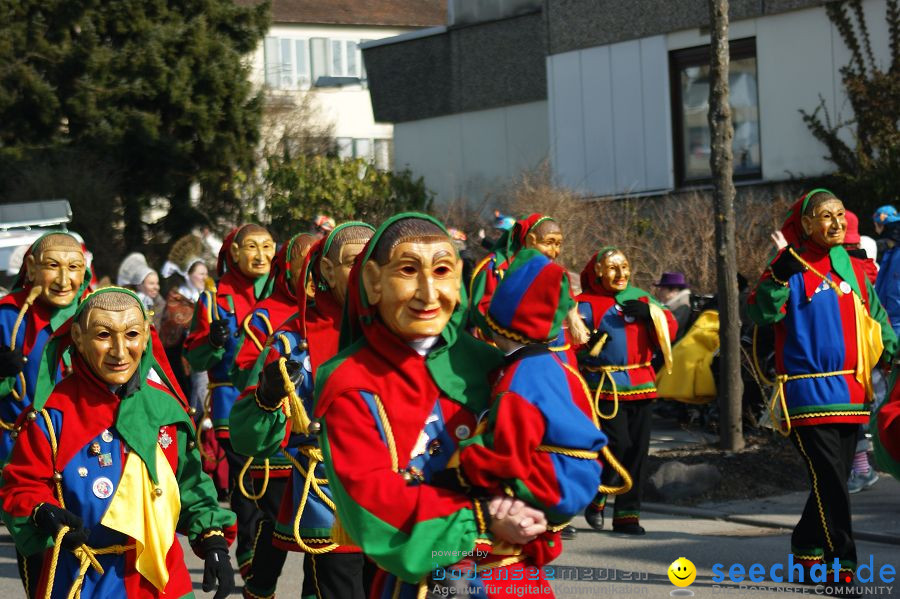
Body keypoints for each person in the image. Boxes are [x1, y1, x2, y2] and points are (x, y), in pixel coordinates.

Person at [314, 213, 555, 597]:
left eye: (441, 270)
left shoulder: (493, 365)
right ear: (374, 282)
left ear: (458, 277)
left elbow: (548, 453)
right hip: (418, 583)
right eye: (408, 270)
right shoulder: (348, 380)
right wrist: (479, 519)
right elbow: (371, 505)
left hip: (513, 578)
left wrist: (536, 507)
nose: (428, 293)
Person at [0, 287, 236, 598]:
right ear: (78, 339)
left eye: (132, 334)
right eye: (103, 335)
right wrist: (42, 511)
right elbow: (20, 485)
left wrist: (213, 540)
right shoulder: (51, 417)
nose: (120, 350)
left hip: (162, 582)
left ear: (147, 338)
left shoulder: (166, 410)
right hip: (82, 581)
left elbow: (189, 485)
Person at [748, 189, 896, 595]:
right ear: (806, 224)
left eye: (838, 215)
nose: (835, 223)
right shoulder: (787, 266)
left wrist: (892, 350)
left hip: (852, 392)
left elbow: (875, 314)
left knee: (830, 479)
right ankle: (841, 564)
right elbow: (760, 312)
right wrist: (777, 275)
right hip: (806, 395)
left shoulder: (850, 264)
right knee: (831, 480)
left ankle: (806, 545)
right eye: (824, 216)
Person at [230, 222, 374, 599]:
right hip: (330, 497)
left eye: (377, 261)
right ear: (325, 270)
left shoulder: (408, 332)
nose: (367, 273)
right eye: (354, 262)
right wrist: (266, 396)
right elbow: (247, 432)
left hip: (400, 501)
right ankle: (258, 584)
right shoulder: (294, 340)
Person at [444, 249, 608, 534]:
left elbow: (507, 457)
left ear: (500, 324)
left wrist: (457, 469)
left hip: (549, 485)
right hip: (572, 478)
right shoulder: (554, 365)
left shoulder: (518, 384)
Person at [184, 224, 275, 578]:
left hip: (282, 405)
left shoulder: (284, 297)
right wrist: (214, 342)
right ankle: (250, 551)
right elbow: (197, 357)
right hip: (232, 402)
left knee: (277, 482)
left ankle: (270, 549)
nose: (261, 255)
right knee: (246, 481)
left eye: (267, 246)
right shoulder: (212, 300)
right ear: (233, 252)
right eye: (251, 247)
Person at [576, 247, 676, 535]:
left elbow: (671, 323)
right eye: (612, 268)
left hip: (642, 384)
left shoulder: (641, 298)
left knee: (637, 451)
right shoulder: (582, 304)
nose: (621, 274)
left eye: (625, 266)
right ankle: (598, 494)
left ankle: (627, 516)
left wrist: (652, 313)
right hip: (605, 388)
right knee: (615, 445)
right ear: (597, 272)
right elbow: (571, 340)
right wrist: (586, 347)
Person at [470, 213, 586, 363]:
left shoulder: (552, 271)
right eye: (548, 243)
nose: (554, 251)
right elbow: (482, 308)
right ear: (531, 240)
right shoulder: (496, 267)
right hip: (507, 353)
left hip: (555, 355)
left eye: (558, 244)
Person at [117, 252, 165, 322]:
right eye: (151, 283)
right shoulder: (127, 302)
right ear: (139, 285)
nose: (156, 287)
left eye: (157, 283)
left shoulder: (159, 303)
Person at [652, 272, 691, 342]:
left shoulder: (682, 307)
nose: (660, 292)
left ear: (673, 290)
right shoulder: (675, 305)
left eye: (662, 289)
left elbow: (670, 329)